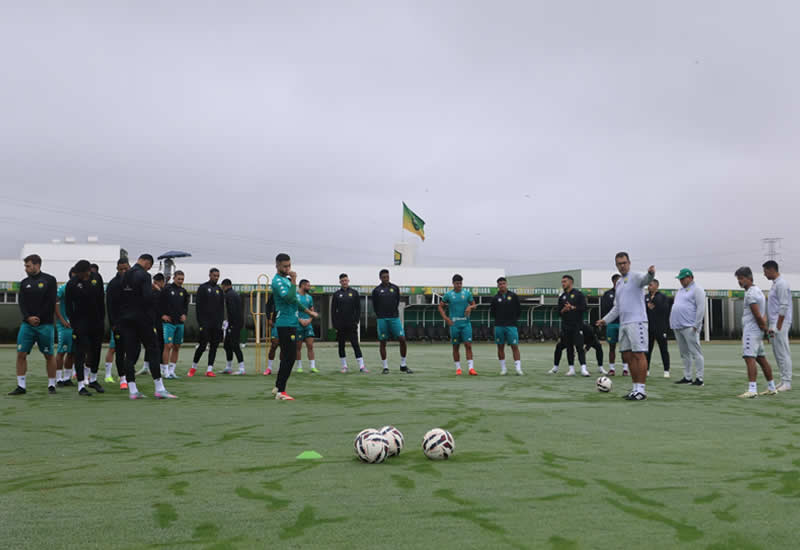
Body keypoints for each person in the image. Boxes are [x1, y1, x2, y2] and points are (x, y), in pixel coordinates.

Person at [596, 252, 655, 401]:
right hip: (624, 323)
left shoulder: (636, 277)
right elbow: (617, 307)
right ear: (616, 265)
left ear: (629, 263)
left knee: (639, 354)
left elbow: (646, 280)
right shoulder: (619, 283)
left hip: (637, 322)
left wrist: (651, 274)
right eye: (619, 263)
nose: (622, 266)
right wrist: (605, 320)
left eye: (624, 263)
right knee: (627, 355)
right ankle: (635, 388)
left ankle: (641, 390)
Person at [119, 253, 176, 399]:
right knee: (153, 350)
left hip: (126, 319)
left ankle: (132, 390)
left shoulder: (125, 275)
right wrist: (155, 292)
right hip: (142, 319)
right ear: (146, 262)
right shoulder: (144, 275)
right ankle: (159, 388)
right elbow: (147, 298)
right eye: (149, 266)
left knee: (130, 354)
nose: (148, 268)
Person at [9, 254, 58, 395]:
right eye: (25, 266)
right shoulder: (24, 283)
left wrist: (39, 317)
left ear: (37, 265)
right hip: (27, 325)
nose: (26, 269)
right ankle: (21, 386)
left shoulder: (50, 280)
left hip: (45, 325)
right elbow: (22, 303)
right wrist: (28, 317)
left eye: (28, 266)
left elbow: (50, 302)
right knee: (21, 353)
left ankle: (51, 385)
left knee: (49, 355)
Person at [64, 260, 105, 395]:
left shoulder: (97, 278)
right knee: (80, 352)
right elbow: (68, 305)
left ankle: (93, 379)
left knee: (96, 351)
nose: (80, 275)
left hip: (96, 322)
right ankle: (81, 385)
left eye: (82, 273)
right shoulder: (72, 283)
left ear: (88, 271)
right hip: (80, 322)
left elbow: (100, 299)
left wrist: (102, 319)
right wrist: (74, 323)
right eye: (78, 273)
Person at [735, 266, 777, 398]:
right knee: (761, 358)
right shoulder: (758, 291)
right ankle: (771, 387)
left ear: (749, 278)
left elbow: (757, 315)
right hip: (756, 330)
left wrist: (765, 329)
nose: (740, 281)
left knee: (749, 357)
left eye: (741, 278)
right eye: (738, 279)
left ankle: (752, 389)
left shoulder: (751, 294)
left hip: (751, 331)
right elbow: (763, 314)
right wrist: (764, 329)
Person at [670, 268, 706, 386]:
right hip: (678, 325)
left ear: (690, 277)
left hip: (690, 325)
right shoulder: (680, 290)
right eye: (680, 279)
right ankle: (687, 376)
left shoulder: (697, 289)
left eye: (683, 278)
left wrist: (697, 324)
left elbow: (701, 307)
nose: (681, 281)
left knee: (696, 352)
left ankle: (700, 378)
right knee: (684, 353)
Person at [271, 253, 299, 400]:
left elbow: (295, 299)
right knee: (290, 357)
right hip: (285, 323)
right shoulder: (277, 281)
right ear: (277, 266)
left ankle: (278, 386)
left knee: (287, 357)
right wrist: (294, 281)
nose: (288, 268)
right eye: (285, 266)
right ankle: (282, 391)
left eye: (289, 265)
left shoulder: (285, 280)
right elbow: (289, 298)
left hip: (291, 322)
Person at [372, 269, 411, 374]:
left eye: (387, 277)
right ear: (380, 278)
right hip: (382, 319)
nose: (386, 279)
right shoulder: (376, 290)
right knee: (383, 341)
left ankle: (403, 365)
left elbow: (397, 301)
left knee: (402, 339)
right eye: (384, 277)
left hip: (394, 318)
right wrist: (380, 315)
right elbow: (374, 305)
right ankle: (385, 367)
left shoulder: (395, 288)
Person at [550, 275, 589, 377]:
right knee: (569, 347)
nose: (563, 284)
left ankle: (583, 368)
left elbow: (584, 307)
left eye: (565, 282)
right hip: (566, 326)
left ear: (571, 282)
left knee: (580, 347)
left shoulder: (578, 294)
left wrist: (572, 307)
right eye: (562, 282)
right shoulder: (562, 297)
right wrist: (564, 310)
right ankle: (571, 369)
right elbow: (559, 312)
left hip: (577, 325)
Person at [438, 274, 477, 376]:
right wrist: (446, 318)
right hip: (454, 325)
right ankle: (458, 368)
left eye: (460, 283)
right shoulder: (449, 295)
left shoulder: (467, 294)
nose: (459, 285)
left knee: (468, 345)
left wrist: (470, 307)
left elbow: (474, 305)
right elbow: (440, 307)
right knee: (456, 346)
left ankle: (471, 368)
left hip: (466, 324)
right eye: (457, 283)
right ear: (453, 284)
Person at [189, 268, 224, 377]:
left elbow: (221, 308)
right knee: (202, 345)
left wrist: (221, 322)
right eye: (214, 275)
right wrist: (201, 323)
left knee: (214, 346)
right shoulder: (203, 288)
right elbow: (199, 307)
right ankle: (193, 368)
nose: (216, 278)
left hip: (216, 323)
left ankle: (209, 369)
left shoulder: (219, 290)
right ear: (210, 275)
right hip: (205, 323)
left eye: (218, 276)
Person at [763, 261, 792, 392]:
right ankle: (783, 379)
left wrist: (778, 325)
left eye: (765, 271)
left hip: (781, 323)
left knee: (783, 351)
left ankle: (787, 382)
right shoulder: (775, 284)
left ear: (771, 269)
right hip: (774, 323)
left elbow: (784, 305)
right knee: (777, 352)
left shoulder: (781, 284)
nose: (764, 274)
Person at [332, 273, 366, 373]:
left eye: (346, 280)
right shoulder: (337, 294)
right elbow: (333, 311)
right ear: (340, 282)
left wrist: (356, 321)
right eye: (342, 281)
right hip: (341, 325)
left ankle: (362, 366)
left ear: (348, 281)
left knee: (355, 344)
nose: (344, 282)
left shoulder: (354, 293)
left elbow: (358, 309)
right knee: (341, 345)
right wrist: (335, 324)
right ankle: (344, 366)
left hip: (351, 324)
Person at [106, 258, 132, 389]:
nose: (123, 271)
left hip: (133, 323)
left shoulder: (135, 282)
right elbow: (110, 306)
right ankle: (123, 378)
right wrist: (113, 324)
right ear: (117, 269)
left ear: (129, 267)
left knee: (133, 350)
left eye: (125, 269)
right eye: (121, 269)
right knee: (120, 351)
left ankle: (129, 375)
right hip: (118, 324)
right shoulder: (113, 284)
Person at [490, 276, 523, 375]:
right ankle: (503, 369)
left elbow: (519, 311)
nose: (502, 286)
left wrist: (513, 320)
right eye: (500, 284)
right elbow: (493, 313)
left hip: (511, 326)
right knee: (500, 347)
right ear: (498, 286)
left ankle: (518, 368)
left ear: (506, 284)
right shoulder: (495, 298)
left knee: (514, 346)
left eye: (503, 283)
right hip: (499, 326)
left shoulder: (513, 296)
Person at [161, 270, 189, 379]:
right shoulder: (167, 289)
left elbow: (185, 306)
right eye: (179, 279)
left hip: (180, 324)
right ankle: (165, 370)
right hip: (169, 323)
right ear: (174, 278)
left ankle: (172, 371)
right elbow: (158, 304)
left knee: (177, 346)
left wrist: (185, 315)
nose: (181, 281)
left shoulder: (184, 291)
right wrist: (162, 315)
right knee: (168, 345)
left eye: (182, 279)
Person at [139, 273, 166, 376]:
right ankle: (146, 366)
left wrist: (159, 290)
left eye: (156, 283)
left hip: (163, 323)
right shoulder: (151, 293)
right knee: (150, 344)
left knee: (161, 345)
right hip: (151, 322)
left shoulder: (164, 291)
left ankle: (162, 367)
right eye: (153, 282)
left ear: (161, 282)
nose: (154, 285)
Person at [645, 279, 671, 378]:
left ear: (656, 286)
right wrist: (649, 305)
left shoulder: (663, 296)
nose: (649, 287)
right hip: (649, 328)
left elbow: (665, 309)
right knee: (647, 350)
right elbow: (644, 308)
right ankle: (646, 370)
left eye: (651, 285)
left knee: (663, 349)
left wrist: (654, 305)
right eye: (648, 285)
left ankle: (666, 370)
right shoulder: (645, 297)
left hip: (660, 327)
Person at [601, 274, 626, 376]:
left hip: (623, 323)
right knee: (612, 347)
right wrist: (604, 322)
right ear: (614, 282)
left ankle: (625, 369)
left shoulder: (626, 293)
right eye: (617, 281)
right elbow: (605, 310)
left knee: (624, 347)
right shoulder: (607, 294)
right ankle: (612, 369)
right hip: (611, 324)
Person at [220, 278, 247, 375]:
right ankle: (228, 367)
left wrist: (231, 324)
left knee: (235, 345)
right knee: (227, 345)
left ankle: (242, 368)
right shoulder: (234, 294)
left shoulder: (229, 295)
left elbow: (232, 311)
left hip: (234, 324)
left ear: (224, 285)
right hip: (235, 323)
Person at [55, 268, 76, 387]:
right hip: (64, 326)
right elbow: (54, 302)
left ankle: (67, 378)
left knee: (72, 352)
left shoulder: (79, 288)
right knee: (61, 351)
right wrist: (62, 320)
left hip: (75, 325)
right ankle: (58, 378)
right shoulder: (64, 288)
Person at [295, 279, 320, 374]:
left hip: (308, 325)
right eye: (308, 286)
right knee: (298, 347)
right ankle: (299, 367)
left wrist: (309, 320)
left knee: (310, 346)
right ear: (302, 285)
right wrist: (300, 320)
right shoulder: (295, 296)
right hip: (298, 324)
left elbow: (312, 311)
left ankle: (312, 367)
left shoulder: (309, 298)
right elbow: (292, 310)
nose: (309, 287)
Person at [263, 294, 277, 376]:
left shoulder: (292, 294)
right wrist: (269, 318)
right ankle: (269, 368)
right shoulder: (275, 294)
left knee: (285, 347)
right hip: (276, 322)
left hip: (288, 323)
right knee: (274, 345)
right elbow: (268, 306)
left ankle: (281, 368)